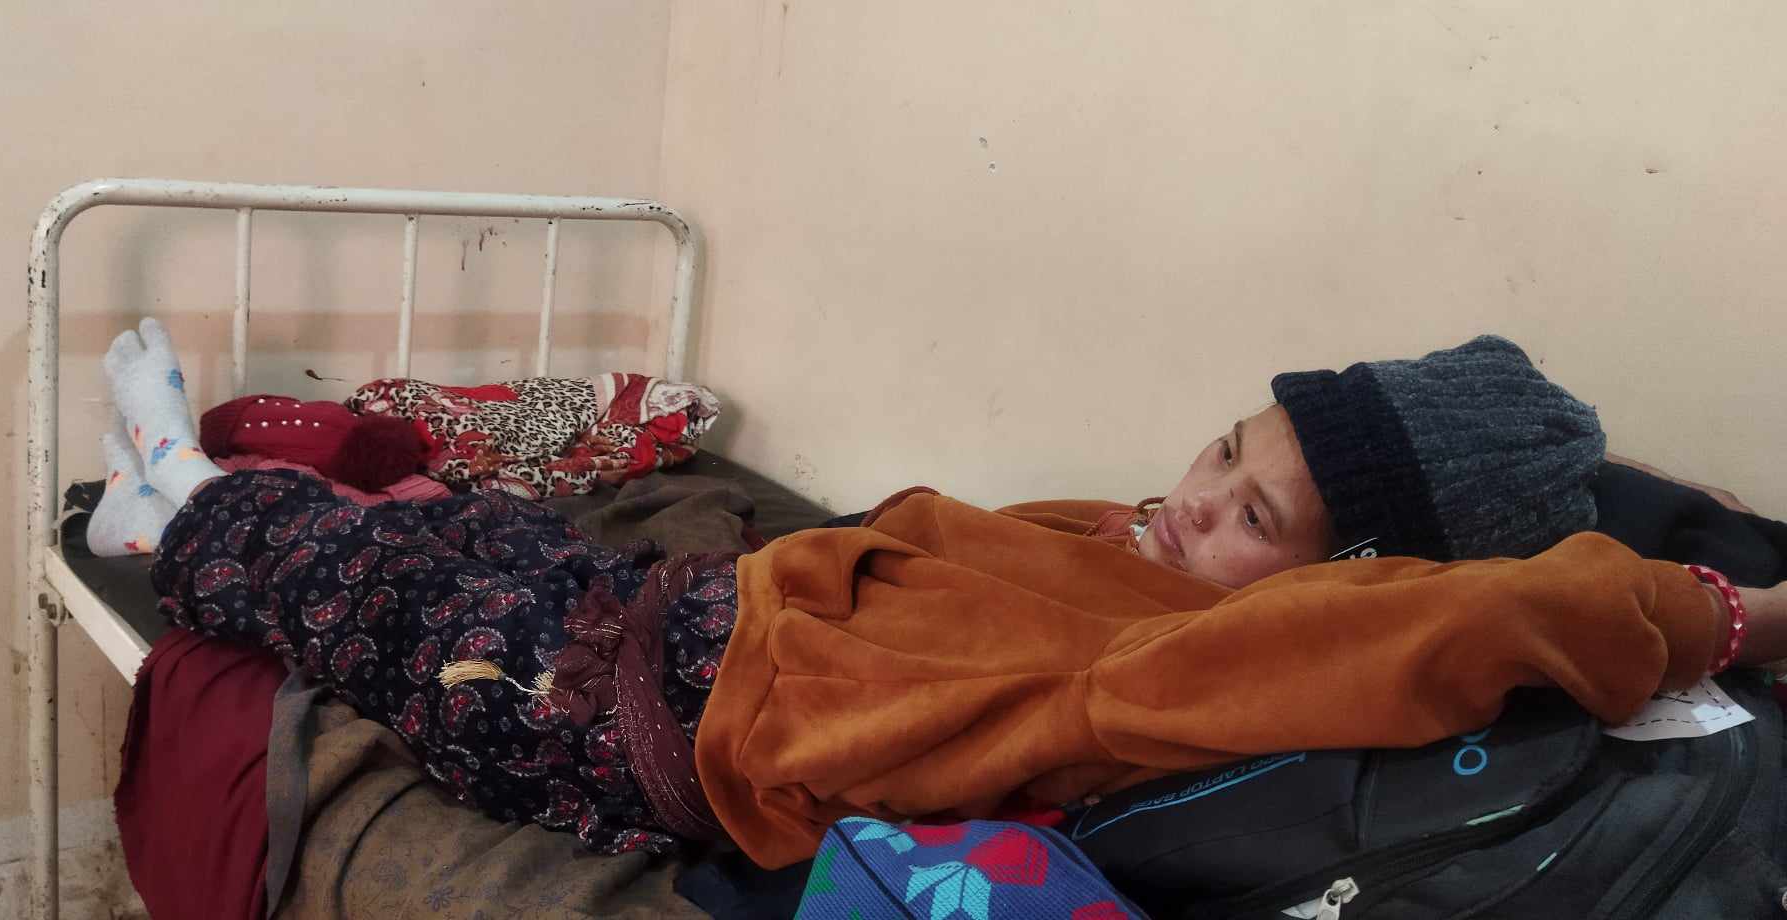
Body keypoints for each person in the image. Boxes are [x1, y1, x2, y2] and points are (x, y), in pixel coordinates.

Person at [93, 319, 1785, 867]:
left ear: (1350, 589)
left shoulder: (1215, 661)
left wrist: (1738, 616)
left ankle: (178, 506)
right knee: (484, 535)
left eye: (1254, 513)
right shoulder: (1146, 556)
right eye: (1222, 448)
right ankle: (244, 495)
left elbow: (1484, 620)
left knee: (389, 602)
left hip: (667, 725)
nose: (1196, 498)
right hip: (705, 609)